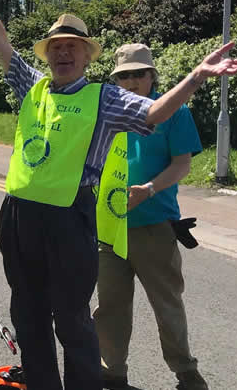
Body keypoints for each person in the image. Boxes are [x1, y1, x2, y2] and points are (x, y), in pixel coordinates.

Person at [0, 0, 237, 389]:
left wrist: (197, 76)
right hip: (19, 215)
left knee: (72, 319)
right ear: (48, 55)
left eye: (72, 47)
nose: (63, 54)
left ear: (87, 56)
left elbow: (155, 112)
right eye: (56, 48)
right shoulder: (32, 86)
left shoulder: (105, 98)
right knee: (28, 315)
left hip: (70, 218)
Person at [93, 44, 209, 390]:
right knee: (110, 307)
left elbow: (182, 164)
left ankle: (186, 373)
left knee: (166, 304)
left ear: (151, 76)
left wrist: (149, 189)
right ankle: (112, 374)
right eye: (124, 75)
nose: (131, 82)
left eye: (138, 74)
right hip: (108, 227)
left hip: (155, 223)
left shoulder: (175, 111)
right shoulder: (108, 111)